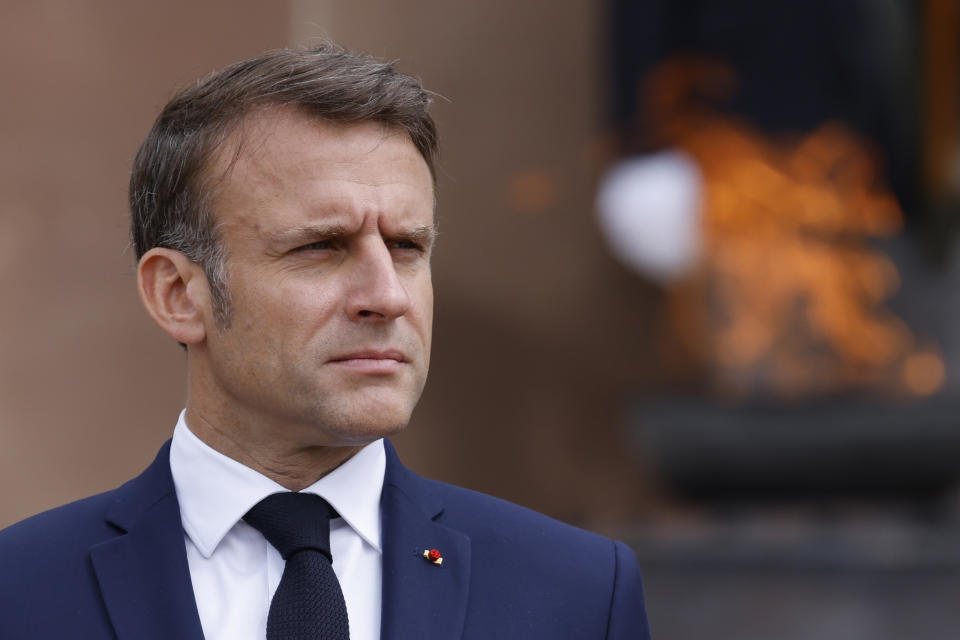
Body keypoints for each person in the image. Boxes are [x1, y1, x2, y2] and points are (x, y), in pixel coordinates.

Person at [0, 45, 651, 639]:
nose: (387, 295)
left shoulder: (577, 593)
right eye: (320, 247)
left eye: (407, 247)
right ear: (177, 294)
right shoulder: (20, 593)